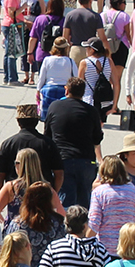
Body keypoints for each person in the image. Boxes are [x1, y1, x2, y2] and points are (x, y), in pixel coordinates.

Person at [46, 78, 103, 210]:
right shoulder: (91, 111)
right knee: (84, 201)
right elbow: (97, 139)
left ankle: (67, 228)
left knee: (65, 201)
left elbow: (48, 135)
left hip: (62, 160)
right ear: (83, 93)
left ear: (66, 90)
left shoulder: (55, 107)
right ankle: (83, 228)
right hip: (86, 161)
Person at [0, 104, 62, 193]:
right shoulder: (48, 143)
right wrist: (53, 193)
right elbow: (59, 174)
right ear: (36, 121)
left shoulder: (8, 143)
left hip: (15, 194)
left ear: (18, 122)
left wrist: (1, 199)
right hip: (42, 194)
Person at [88, 156, 135, 254]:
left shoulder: (99, 192)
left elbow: (95, 221)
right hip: (128, 246)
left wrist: (86, 241)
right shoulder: (131, 189)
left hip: (105, 249)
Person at [33, 35, 75, 116]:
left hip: (49, 89)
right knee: (62, 115)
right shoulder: (70, 61)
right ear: (66, 48)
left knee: (48, 116)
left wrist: (38, 90)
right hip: (64, 91)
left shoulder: (47, 60)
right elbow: (75, 77)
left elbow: (42, 77)